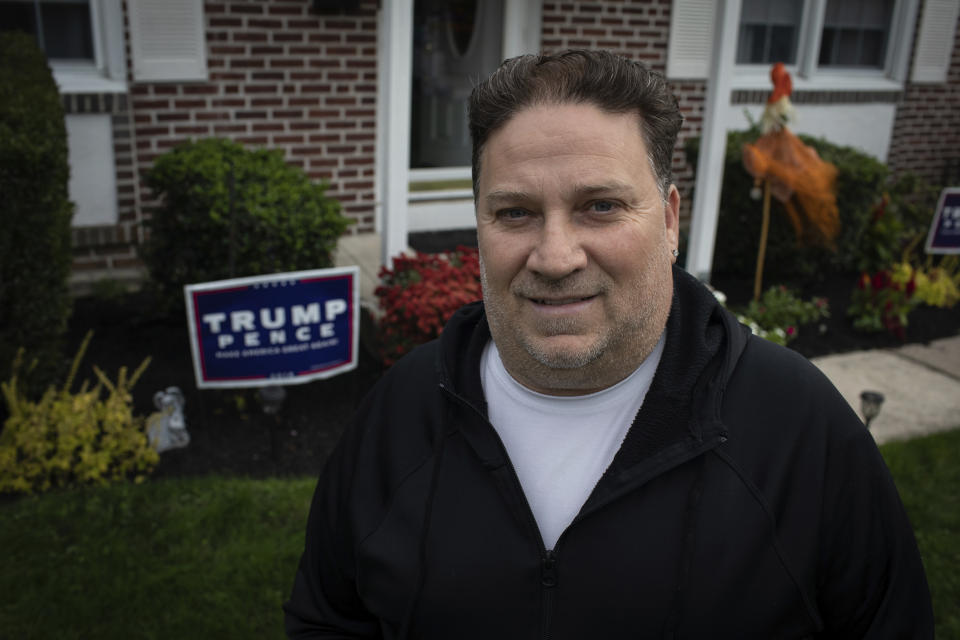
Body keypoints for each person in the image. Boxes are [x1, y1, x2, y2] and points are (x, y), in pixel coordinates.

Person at [284, 49, 933, 638]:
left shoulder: (798, 429)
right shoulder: (400, 413)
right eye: (515, 212)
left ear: (671, 219)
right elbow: (329, 617)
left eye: (600, 206)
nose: (555, 256)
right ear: (478, 222)